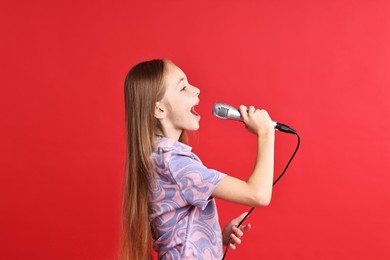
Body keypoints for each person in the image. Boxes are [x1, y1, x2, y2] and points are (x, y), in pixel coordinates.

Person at [122, 59, 275, 259]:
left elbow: (178, 234)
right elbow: (258, 195)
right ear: (159, 109)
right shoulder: (175, 164)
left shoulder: (160, 158)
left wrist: (214, 239)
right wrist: (266, 134)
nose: (196, 90)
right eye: (183, 87)